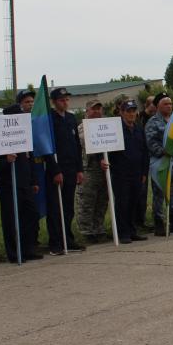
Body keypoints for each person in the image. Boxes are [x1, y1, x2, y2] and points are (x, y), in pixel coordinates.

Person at [0, 97, 44, 262]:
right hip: (8, 184)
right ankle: (14, 253)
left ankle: (28, 248)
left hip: (25, 182)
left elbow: (30, 159)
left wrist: (33, 180)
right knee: (11, 219)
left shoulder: (24, 136)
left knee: (31, 215)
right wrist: (6, 160)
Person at [45, 87, 86, 254]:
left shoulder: (70, 118)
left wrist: (79, 169)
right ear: (54, 102)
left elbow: (76, 144)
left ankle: (67, 239)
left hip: (71, 168)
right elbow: (47, 147)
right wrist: (55, 171)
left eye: (67, 99)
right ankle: (55, 243)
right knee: (56, 208)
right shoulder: (49, 120)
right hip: (57, 169)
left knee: (68, 207)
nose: (65, 102)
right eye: (62, 100)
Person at [145, 92, 173, 236]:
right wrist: (163, 151)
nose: (169, 106)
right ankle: (159, 224)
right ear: (158, 105)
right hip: (161, 165)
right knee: (160, 195)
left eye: (171, 104)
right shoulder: (153, 122)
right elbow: (150, 143)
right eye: (166, 104)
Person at [108, 100, 149, 244]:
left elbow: (145, 152)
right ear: (121, 113)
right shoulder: (115, 130)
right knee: (122, 203)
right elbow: (108, 151)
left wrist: (144, 172)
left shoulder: (139, 129)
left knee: (134, 203)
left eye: (133, 111)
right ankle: (123, 233)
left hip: (137, 173)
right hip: (121, 173)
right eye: (128, 111)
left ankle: (132, 231)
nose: (131, 114)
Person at [76, 99, 110, 244]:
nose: (96, 112)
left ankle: (99, 228)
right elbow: (86, 142)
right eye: (93, 109)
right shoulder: (82, 127)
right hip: (88, 168)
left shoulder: (107, 125)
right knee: (87, 201)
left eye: (99, 109)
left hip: (104, 169)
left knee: (102, 201)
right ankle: (86, 231)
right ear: (87, 111)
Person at [135, 95, 157, 229]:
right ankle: (138, 220)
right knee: (141, 191)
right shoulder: (140, 118)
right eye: (152, 105)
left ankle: (142, 220)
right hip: (142, 157)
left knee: (152, 191)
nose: (154, 107)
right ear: (147, 105)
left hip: (153, 158)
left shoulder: (157, 118)